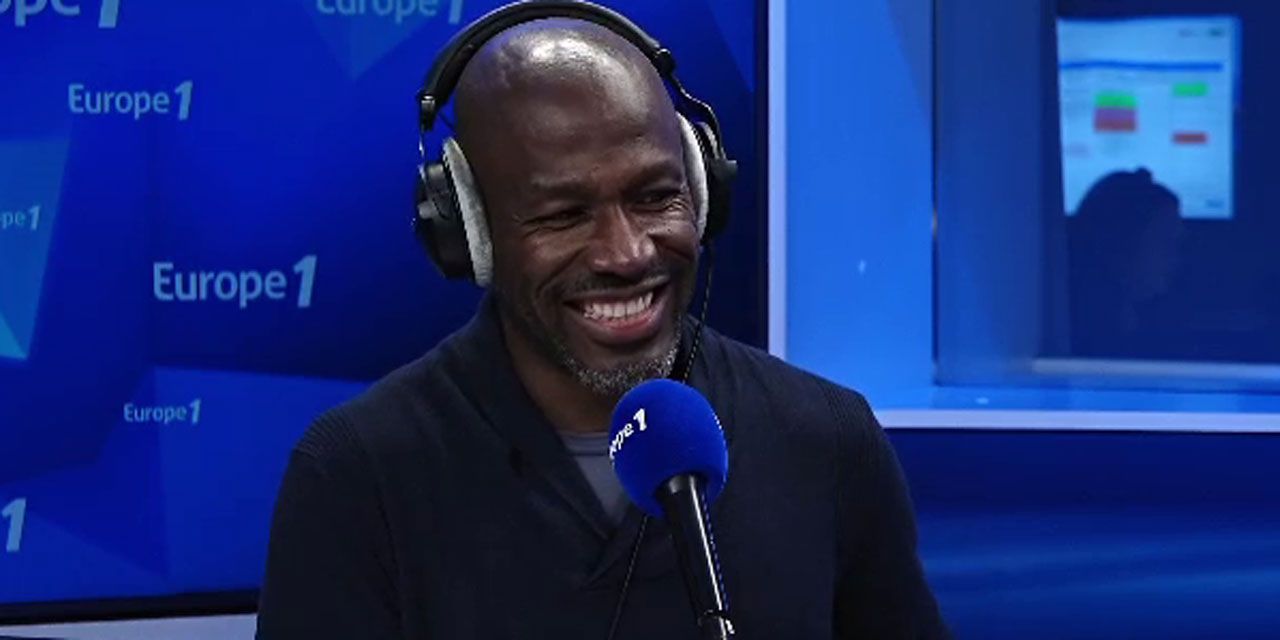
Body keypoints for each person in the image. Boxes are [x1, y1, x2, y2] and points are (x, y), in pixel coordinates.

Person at [256, 5, 947, 639]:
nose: (627, 253)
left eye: (654, 197)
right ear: (473, 235)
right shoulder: (357, 478)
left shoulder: (827, 441)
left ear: (702, 191)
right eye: (563, 215)